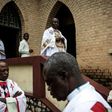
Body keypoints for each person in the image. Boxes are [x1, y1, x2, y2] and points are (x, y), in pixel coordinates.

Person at [42, 52, 111, 112]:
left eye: (50, 82)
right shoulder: (86, 99)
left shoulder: (84, 107)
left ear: (63, 76)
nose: (48, 88)